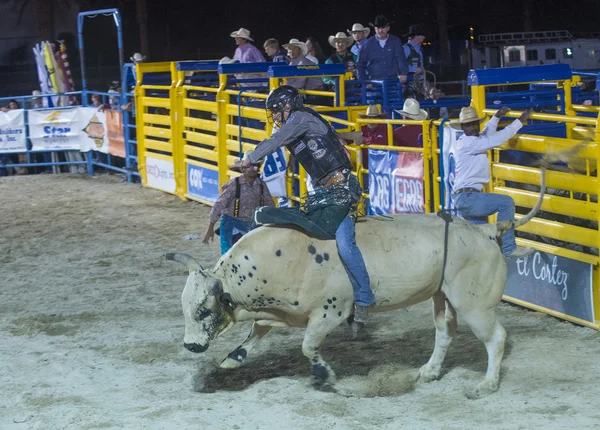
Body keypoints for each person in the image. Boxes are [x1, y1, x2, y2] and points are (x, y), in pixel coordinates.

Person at [243, 85, 375, 323]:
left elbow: (278, 140)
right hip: (325, 192)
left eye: (275, 111)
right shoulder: (304, 120)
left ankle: (364, 298)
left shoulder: (301, 118)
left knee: (344, 243)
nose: (273, 116)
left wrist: (250, 157)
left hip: (340, 190)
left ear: (287, 106)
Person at [450, 106, 534, 258]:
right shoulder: (470, 143)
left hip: (464, 199)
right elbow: (496, 139)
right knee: (506, 203)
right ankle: (508, 247)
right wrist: (519, 121)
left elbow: (485, 136)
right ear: (463, 127)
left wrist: (496, 117)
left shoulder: (468, 141)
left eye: (475, 123)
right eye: (469, 124)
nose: (473, 127)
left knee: (484, 245)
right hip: (469, 198)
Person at [203, 150, 275, 254]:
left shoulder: (262, 185)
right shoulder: (234, 184)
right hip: (232, 224)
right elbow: (219, 206)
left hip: (252, 226)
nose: (252, 169)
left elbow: (270, 207)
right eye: (249, 166)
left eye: (255, 166)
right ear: (243, 168)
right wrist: (210, 227)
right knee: (231, 255)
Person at [356, 15, 408, 83]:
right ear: (375, 29)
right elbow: (360, 64)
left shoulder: (395, 41)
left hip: (392, 81)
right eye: (378, 28)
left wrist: (403, 73)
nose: (380, 30)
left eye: (383, 27)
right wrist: (364, 82)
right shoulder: (368, 44)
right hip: (374, 82)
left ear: (388, 28)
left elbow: (401, 59)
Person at [282, 38, 327, 104]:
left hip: (316, 95)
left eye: (294, 49)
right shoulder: (293, 63)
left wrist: (284, 87)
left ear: (299, 50)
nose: (291, 51)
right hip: (308, 94)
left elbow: (299, 84)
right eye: (290, 49)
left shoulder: (303, 63)